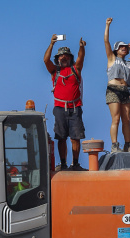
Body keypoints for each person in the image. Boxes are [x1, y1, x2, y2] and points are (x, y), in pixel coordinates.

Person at [44, 34, 87, 171]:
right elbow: (45, 60)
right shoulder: (54, 71)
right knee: (61, 137)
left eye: (66, 56)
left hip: (75, 107)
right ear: (57, 59)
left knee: (76, 137)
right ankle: (63, 164)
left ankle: (75, 164)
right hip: (60, 107)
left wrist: (81, 47)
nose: (63, 58)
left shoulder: (76, 69)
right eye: (61, 56)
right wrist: (51, 44)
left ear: (70, 58)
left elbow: (81, 57)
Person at [104, 17, 130, 153]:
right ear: (116, 49)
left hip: (125, 91)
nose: (124, 49)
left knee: (126, 120)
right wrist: (107, 25)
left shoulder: (128, 63)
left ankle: (128, 145)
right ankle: (114, 145)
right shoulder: (112, 58)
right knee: (115, 118)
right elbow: (106, 41)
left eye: (125, 47)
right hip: (113, 89)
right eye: (122, 47)